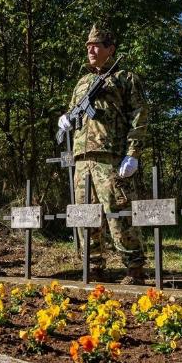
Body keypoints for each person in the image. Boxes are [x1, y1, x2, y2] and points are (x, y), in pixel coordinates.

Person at [58, 25, 149, 285]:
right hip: (81, 157)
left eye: (97, 45)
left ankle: (134, 268)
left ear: (111, 49)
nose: (91, 49)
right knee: (85, 215)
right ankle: (93, 266)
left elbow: (140, 117)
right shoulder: (82, 83)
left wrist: (133, 153)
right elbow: (73, 113)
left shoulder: (125, 78)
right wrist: (65, 119)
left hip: (110, 156)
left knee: (118, 212)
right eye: (88, 45)